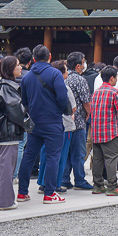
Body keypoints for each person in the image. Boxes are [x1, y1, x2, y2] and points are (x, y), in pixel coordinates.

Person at [17, 44, 69, 204]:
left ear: (33, 59)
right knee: (53, 156)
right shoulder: (55, 74)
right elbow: (62, 97)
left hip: (34, 121)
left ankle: (22, 192)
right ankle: (49, 193)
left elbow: (24, 101)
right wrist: (60, 109)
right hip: (52, 120)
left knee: (29, 155)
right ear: (50, 56)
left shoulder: (27, 77)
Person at [0, 55, 29, 210]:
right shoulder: (10, 88)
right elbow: (18, 113)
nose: (20, 67)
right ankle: (6, 201)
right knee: (7, 168)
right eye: (17, 65)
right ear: (11, 68)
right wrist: (30, 125)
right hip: (8, 133)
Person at [37, 61, 75, 194]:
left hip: (45, 123)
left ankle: (42, 182)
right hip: (63, 125)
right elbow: (72, 108)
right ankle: (56, 183)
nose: (67, 73)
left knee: (45, 154)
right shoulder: (65, 88)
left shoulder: (43, 85)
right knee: (60, 156)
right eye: (65, 71)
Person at [89, 65, 118, 196]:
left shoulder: (96, 92)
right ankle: (112, 186)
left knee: (97, 159)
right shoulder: (114, 92)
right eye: (116, 76)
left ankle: (98, 185)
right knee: (111, 158)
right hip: (110, 130)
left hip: (96, 130)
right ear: (112, 78)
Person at [61, 52, 93, 191]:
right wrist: (88, 113)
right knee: (78, 152)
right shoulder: (80, 80)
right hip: (79, 121)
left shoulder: (62, 78)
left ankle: (64, 179)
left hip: (64, 121)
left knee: (66, 152)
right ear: (79, 66)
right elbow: (86, 101)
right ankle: (79, 179)